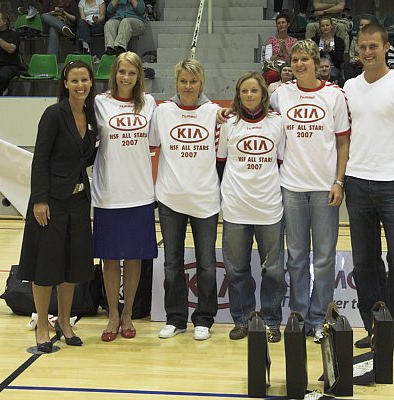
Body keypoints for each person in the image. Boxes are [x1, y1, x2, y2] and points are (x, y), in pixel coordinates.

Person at [343, 23, 394, 359]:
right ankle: (375, 329)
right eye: (362, 47)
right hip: (357, 183)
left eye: (373, 46)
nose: (367, 52)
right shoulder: (348, 86)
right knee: (364, 264)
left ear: (386, 46)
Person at [270, 39, 350, 343]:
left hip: (325, 189)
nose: (299, 64)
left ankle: (319, 319)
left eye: (305, 59)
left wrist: (339, 181)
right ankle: (300, 316)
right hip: (291, 187)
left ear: (316, 62)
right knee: (297, 257)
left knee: (325, 258)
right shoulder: (280, 95)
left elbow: (344, 142)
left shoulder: (334, 96)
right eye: (295, 60)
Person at [18, 60, 98, 353]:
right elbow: (40, 158)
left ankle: (65, 322)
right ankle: (42, 325)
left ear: (91, 83)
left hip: (78, 201)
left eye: (85, 80)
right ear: (65, 83)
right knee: (46, 266)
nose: (80, 86)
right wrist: (40, 199)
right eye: (75, 80)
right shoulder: (53, 114)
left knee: (72, 266)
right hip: (50, 201)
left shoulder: (91, 115)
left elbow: (84, 157)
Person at [149, 59, 221, 341]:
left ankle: (204, 318)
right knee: (172, 263)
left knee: (206, 263)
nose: (188, 86)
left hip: (205, 199)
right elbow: (152, 146)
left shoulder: (215, 112)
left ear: (201, 83)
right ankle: (175, 318)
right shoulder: (163, 112)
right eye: (183, 81)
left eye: (193, 81)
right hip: (170, 199)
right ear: (176, 82)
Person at [92, 52, 157, 342]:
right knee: (109, 258)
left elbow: (158, 139)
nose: (126, 78)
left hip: (140, 193)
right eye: (122, 72)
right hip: (108, 193)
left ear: (138, 75)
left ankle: (128, 313)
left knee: (133, 258)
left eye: (131, 73)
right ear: (114, 74)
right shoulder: (100, 103)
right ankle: (113, 315)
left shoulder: (149, 103)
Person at [218, 72, 286, 343]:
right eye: (244, 91)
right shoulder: (229, 123)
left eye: (254, 91)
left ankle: (271, 320)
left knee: (274, 270)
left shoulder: (277, 123)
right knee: (236, 269)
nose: (249, 95)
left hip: (269, 207)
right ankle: (242, 320)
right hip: (235, 207)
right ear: (238, 94)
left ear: (263, 94)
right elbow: (220, 162)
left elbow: (281, 160)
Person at [263, 12, 297, 85]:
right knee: (272, 74)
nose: (281, 25)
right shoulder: (270, 40)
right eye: (278, 23)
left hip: (288, 67)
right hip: (274, 67)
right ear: (276, 26)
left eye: (283, 22)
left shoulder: (294, 41)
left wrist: (284, 51)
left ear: (288, 24)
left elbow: (293, 61)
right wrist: (279, 54)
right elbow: (268, 60)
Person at [311, 16, 345, 82]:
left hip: (333, 67)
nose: (325, 27)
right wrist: (323, 51)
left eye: (327, 25)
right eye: (323, 26)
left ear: (331, 26)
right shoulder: (314, 40)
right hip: (317, 67)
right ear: (320, 28)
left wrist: (330, 51)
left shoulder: (339, 41)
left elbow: (339, 61)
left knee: (331, 75)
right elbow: (313, 58)